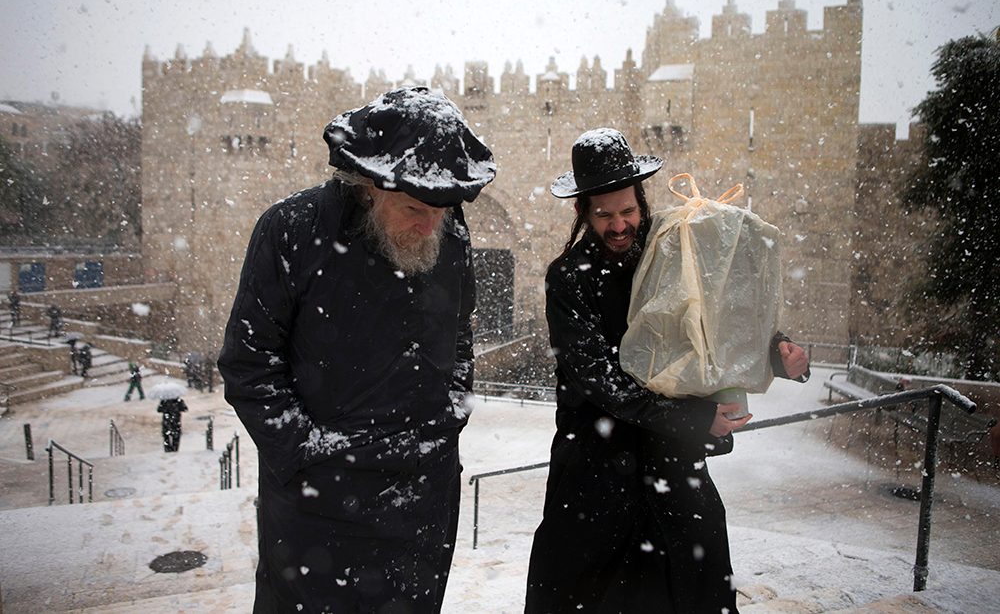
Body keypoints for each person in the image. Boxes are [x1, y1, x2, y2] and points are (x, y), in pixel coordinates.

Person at [217, 86, 497, 613]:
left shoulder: (448, 233)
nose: (430, 225)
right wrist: (306, 451)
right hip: (320, 507)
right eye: (415, 208)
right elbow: (249, 363)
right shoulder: (293, 231)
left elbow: (459, 335)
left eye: (443, 210)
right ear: (369, 185)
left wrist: (448, 415)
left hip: (423, 498)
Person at [524, 128, 809, 613]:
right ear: (582, 212)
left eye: (629, 212)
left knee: (692, 594)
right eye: (605, 215)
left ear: (642, 200)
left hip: (673, 468)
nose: (619, 226)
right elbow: (600, 380)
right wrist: (697, 420)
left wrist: (776, 352)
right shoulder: (568, 278)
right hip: (597, 472)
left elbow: (718, 317)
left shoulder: (674, 249)